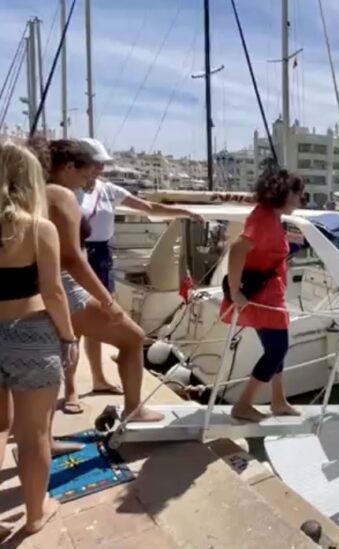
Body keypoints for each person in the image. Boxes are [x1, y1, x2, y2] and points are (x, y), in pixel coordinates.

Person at [37, 138, 163, 422]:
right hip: (65, 285)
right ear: (69, 166)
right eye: (86, 169)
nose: (90, 175)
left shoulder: (36, 192)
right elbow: (72, 258)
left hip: (38, 286)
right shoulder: (62, 195)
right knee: (133, 338)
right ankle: (134, 409)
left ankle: (42, 435)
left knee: (46, 364)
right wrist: (108, 301)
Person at [75, 137, 202, 396]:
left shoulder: (108, 190)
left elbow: (148, 208)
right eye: (95, 164)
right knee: (74, 323)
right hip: (77, 253)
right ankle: (70, 390)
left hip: (101, 257)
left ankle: (98, 378)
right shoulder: (68, 191)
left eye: (101, 164)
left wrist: (185, 213)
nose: (100, 169)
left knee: (98, 322)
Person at [0, 142, 78, 534]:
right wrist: (69, 338)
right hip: (30, 335)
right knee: (34, 434)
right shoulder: (38, 228)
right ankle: (34, 516)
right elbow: (53, 292)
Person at [222, 165, 304, 422]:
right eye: (299, 193)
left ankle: (278, 400)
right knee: (277, 350)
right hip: (262, 298)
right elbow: (238, 249)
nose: (301, 199)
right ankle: (243, 404)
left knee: (276, 348)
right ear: (286, 193)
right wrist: (235, 293)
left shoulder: (269, 216)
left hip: (268, 296)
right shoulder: (265, 219)